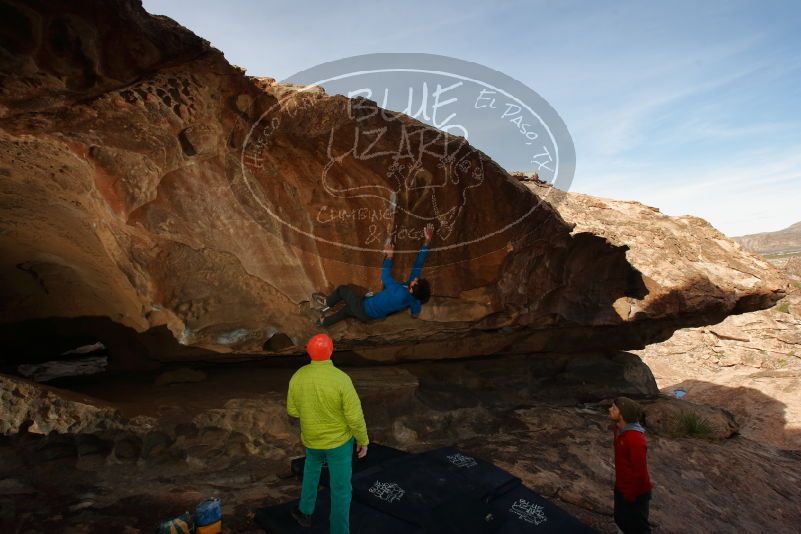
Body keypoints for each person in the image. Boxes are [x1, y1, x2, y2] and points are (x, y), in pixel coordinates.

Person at [286, 333, 369, 533]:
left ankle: (305, 512)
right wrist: (363, 440)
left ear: (308, 352)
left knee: (311, 473)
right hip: (339, 443)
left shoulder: (298, 376)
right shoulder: (341, 379)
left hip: (312, 440)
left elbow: (293, 411)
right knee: (340, 489)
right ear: (331, 351)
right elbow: (354, 416)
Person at [312, 223, 434, 327]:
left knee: (343, 290)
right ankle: (323, 322)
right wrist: (427, 241)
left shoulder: (399, 293)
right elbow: (419, 263)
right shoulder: (415, 300)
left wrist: (390, 256)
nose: (416, 278)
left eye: (416, 281)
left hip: (363, 307)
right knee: (347, 311)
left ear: (412, 289)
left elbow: (385, 277)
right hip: (370, 316)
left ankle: (327, 302)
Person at [608, 397, 654, 534]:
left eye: (614, 408)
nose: (610, 409)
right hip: (622, 486)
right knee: (621, 519)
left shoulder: (635, 439)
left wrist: (630, 494)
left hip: (636, 492)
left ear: (623, 415)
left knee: (638, 528)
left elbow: (640, 472)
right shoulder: (619, 430)